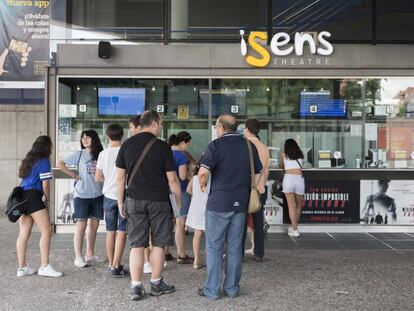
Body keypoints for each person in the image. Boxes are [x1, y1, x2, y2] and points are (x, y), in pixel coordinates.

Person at [116, 110, 181, 301]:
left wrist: (121, 202)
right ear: (153, 123)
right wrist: (178, 203)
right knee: (159, 244)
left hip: (134, 200)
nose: (161, 127)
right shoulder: (162, 147)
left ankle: (136, 287)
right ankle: (155, 283)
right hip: (159, 201)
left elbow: (121, 179)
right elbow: (173, 180)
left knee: (137, 244)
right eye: (160, 123)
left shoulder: (127, 145)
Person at [197, 115, 263, 300]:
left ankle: (212, 290)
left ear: (221, 128)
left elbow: (203, 173)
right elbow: (259, 172)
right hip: (241, 203)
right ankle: (232, 289)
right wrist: (250, 188)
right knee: (235, 247)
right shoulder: (249, 146)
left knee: (214, 246)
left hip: (218, 203)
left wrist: (203, 185)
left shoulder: (215, 146)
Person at [16, 135, 62, 278]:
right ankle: (44, 266)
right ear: (48, 147)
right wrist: (46, 200)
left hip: (22, 197)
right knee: (47, 231)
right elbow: (45, 184)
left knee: (23, 234)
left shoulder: (28, 161)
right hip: (34, 197)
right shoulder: (44, 162)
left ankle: (22, 268)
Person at [58, 129, 104, 268]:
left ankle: (90, 254)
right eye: (83, 137)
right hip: (82, 195)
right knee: (81, 226)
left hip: (98, 195)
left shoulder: (100, 155)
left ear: (94, 139)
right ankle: (78, 257)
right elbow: (61, 163)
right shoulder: (79, 154)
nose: (84, 140)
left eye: (88, 137)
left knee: (94, 226)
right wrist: (73, 175)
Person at [95, 123, 129, 277]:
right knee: (122, 230)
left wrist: (108, 178)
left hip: (108, 196)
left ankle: (110, 264)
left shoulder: (103, 154)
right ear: (122, 135)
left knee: (110, 231)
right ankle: (116, 264)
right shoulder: (126, 151)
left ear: (107, 136)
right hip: (125, 194)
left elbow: (98, 177)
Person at [242, 118, 270, 261]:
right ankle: (259, 252)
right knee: (258, 223)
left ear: (247, 128)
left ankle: (238, 252)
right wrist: (260, 186)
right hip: (260, 190)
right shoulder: (264, 147)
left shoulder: (243, 145)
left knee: (240, 222)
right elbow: (266, 171)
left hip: (244, 189)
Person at [168, 131, 193, 264]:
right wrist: (190, 172)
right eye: (187, 144)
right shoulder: (182, 157)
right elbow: (182, 176)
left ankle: (165, 252)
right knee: (180, 223)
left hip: (165, 191)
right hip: (180, 191)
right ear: (182, 143)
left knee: (167, 222)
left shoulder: (165, 154)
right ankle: (181, 254)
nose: (187, 147)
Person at [185, 155, 208, 270]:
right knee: (210, 234)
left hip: (196, 207)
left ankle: (196, 259)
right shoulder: (209, 178)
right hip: (207, 207)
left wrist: (196, 195)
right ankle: (211, 258)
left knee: (197, 234)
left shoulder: (194, 178)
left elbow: (188, 190)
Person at [279, 139, 304, 238]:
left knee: (291, 206)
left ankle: (294, 229)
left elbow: (282, 166)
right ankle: (295, 228)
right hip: (299, 179)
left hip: (288, 178)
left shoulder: (284, 155)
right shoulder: (301, 155)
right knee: (298, 206)